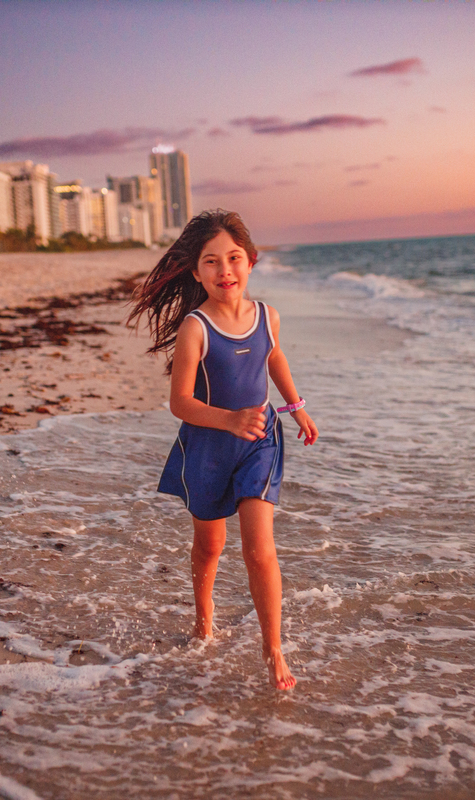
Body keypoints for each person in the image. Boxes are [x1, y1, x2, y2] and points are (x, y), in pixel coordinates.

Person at [129, 210, 318, 690]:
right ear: (196, 272)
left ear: (251, 261)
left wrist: (295, 407)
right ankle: (203, 616)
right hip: (209, 446)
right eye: (211, 262)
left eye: (233, 259)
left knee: (260, 551)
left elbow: (272, 356)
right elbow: (180, 403)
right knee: (210, 546)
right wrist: (229, 419)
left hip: (260, 441)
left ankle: (273, 649)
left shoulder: (267, 316)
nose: (225, 271)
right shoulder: (197, 327)